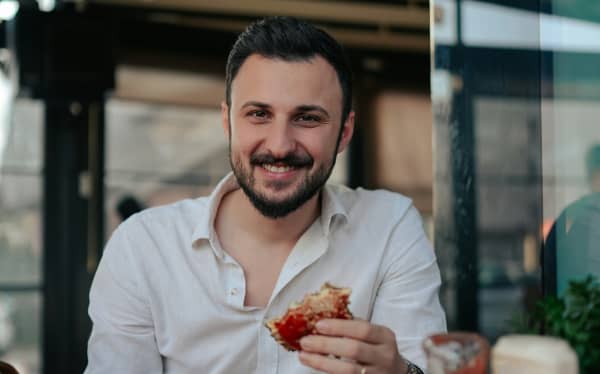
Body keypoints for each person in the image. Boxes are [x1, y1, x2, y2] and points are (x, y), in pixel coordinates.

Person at [85, 16, 446, 374]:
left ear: (345, 131)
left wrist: (403, 372)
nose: (279, 145)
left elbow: (426, 367)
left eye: (307, 118)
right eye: (259, 114)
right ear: (227, 122)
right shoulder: (141, 248)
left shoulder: (390, 228)